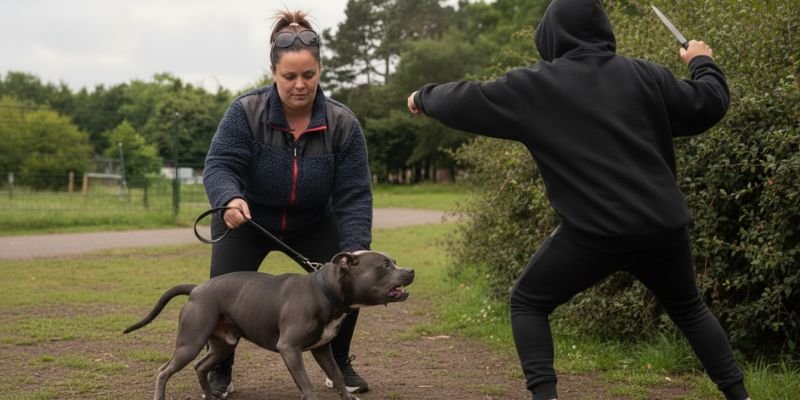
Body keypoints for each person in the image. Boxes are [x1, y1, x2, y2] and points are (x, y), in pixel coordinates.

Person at [406, 1, 750, 399]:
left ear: (550, 35)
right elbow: (710, 103)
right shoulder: (645, 76)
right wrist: (701, 60)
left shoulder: (534, 87)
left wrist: (422, 96)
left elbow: (465, 99)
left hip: (593, 235)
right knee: (689, 309)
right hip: (662, 227)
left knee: (528, 303)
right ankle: (739, 396)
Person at [202, 10, 373, 396]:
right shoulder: (245, 111)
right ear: (273, 72)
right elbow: (220, 165)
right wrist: (228, 197)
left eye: (308, 76)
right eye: (289, 77)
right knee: (222, 292)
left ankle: (339, 363)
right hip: (247, 220)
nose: (299, 85)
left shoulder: (343, 123)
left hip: (312, 221)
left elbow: (354, 193)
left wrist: (357, 245)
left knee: (347, 280)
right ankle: (220, 366)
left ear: (320, 70)